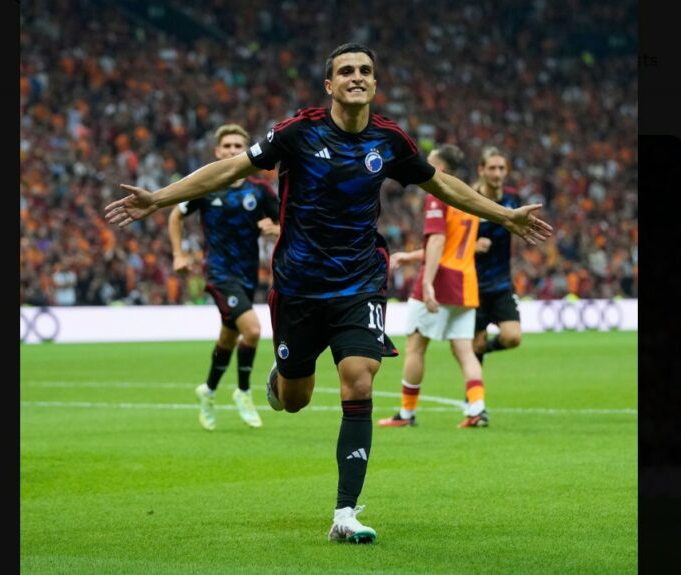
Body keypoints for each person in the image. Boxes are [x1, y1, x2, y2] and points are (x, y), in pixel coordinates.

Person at [105, 43, 552, 544]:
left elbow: (443, 186)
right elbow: (230, 170)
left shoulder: (390, 140)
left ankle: (345, 513)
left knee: (358, 379)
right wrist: (158, 198)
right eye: (346, 71)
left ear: (375, 83)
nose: (356, 77)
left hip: (360, 283)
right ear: (329, 84)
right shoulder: (297, 132)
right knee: (294, 399)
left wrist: (505, 216)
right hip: (298, 287)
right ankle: (282, 378)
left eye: (365, 70)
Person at [168, 124, 280, 430]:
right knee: (252, 330)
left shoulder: (259, 190)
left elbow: (289, 222)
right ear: (218, 152)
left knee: (229, 338)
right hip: (218, 273)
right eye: (227, 146)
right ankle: (243, 392)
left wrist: (276, 228)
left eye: (237, 146)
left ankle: (208, 391)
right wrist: (178, 254)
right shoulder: (205, 186)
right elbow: (176, 214)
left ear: (246, 151)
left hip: (247, 275)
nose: (232, 150)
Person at [377, 144, 489, 430]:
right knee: (464, 349)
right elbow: (453, 245)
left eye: (429, 163)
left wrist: (427, 283)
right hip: (466, 281)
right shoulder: (468, 196)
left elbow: (438, 242)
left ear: (440, 169)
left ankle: (406, 413)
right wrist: (411, 257)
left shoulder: (438, 195)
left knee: (415, 345)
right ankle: (478, 409)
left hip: (440, 279)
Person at [471, 147, 523, 365]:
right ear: (481, 170)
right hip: (473, 285)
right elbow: (452, 240)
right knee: (475, 344)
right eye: (492, 168)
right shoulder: (469, 200)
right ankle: (473, 390)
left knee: (513, 337)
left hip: (501, 284)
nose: (497, 173)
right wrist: (472, 246)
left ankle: (484, 349)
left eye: (501, 168)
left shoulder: (512, 199)